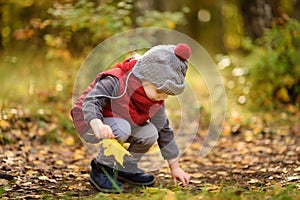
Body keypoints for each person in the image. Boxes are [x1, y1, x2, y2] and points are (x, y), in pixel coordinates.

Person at [71, 43, 191, 193]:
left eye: (167, 94)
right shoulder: (116, 80)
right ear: (145, 78)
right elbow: (91, 101)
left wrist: (175, 167)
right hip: (90, 120)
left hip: (120, 122)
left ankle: (124, 167)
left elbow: (164, 130)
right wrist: (97, 124)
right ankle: (102, 168)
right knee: (122, 127)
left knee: (150, 133)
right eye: (160, 91)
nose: (163, 97)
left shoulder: (155, 100)